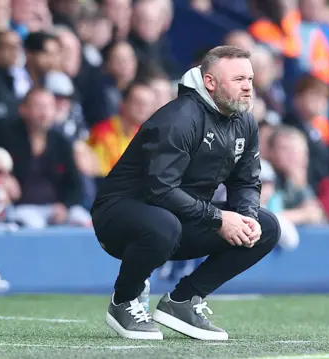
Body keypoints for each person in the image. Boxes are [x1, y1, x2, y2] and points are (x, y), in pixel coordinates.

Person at [90, 46, 281, 341]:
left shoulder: (244, 121)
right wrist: (218, 219)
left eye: (250, 79)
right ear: (210, 83)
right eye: (238, 79)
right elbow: (160, 190)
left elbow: (246, 182)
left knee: (265, 227)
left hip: (179, 217)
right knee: (163, 225)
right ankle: (124, 301)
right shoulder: (180, 118)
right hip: (120, 216)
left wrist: (245, 216)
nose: (247, 87)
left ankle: (183, 300)